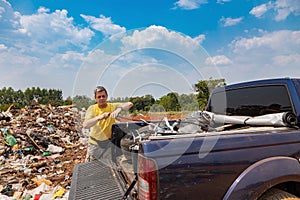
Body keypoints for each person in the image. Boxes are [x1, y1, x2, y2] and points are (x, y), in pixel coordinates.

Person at [83, 86, 133, 162]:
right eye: (99, 97)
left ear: (107, 96)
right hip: (95, 145)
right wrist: (99, 117)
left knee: (107, 167)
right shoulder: (92, 109)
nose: (101, 98)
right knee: (92, 167)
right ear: (95, 98)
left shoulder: (112, 106)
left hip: (108, 145)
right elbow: (85, 125)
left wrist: (118, 109)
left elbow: (130, 104)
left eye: (103, 96)